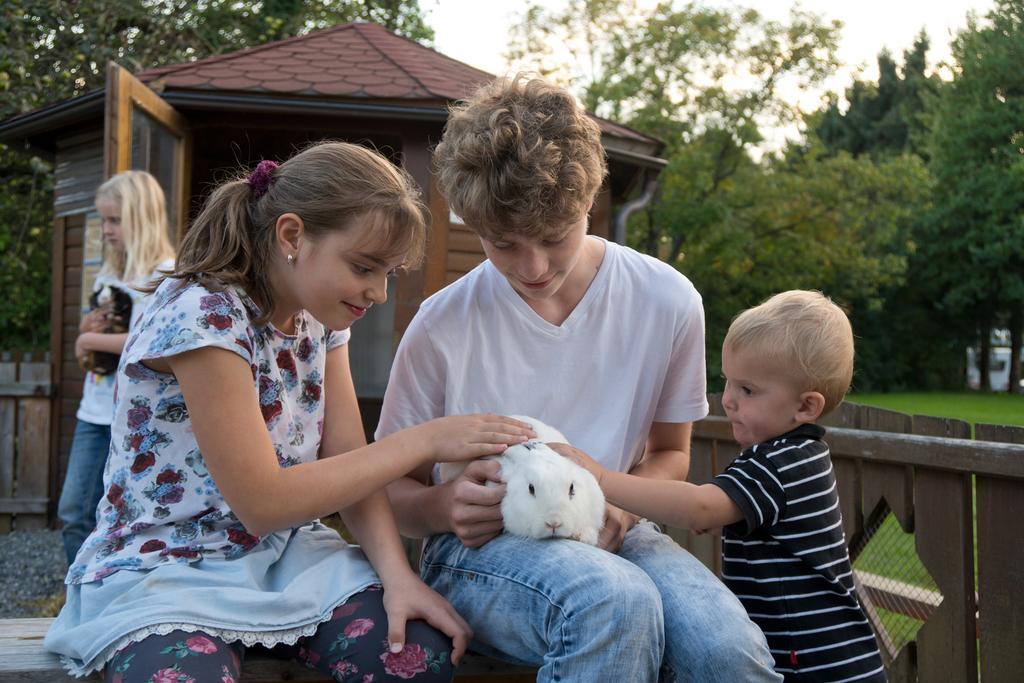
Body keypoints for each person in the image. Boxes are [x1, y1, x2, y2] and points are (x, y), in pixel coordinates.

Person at [45, 142, 534, 683]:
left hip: (284, 560)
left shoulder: (320, 322)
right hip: (168, 566)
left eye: (390, 272)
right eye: (365, 266)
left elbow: (349, 458)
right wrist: (423, 441)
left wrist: (399, 576)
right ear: (293, 236)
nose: (377, 291)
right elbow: (262, 501)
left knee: (414, 652)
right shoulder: (203, 316)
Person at [376, 75, 781, 682]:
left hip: (612, 529)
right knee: (612, 602)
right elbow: (390, 491)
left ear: (589, 201)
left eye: (553, 238)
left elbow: (671, 453)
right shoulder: (442, 325)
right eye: (503, 244)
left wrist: (618, 504)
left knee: (728, 653)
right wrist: (441, 504)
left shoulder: (667, 301)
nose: (532, 267)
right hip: (475, 552)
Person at [560, 290, 887, 682]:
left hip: (818, 664)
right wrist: (720, 517)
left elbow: (700, 506)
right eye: (727, 382)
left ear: (805, 407)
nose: (728, 400)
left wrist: (601, 478)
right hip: (816, 655)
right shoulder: (789, 453)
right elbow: (738, 516)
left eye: (747, 390)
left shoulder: (783, 462)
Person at [58, 170, 176, 565]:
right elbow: (100, 333)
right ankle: (80, 593)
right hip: (93, 410)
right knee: (74, 511)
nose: (105, 230)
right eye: (103, 219)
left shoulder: (163, 275)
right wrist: (87, 332)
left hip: (134, 417)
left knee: (120, 515)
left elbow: (147, 342)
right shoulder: (111, 273)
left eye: (114, 220)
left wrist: (87, 341)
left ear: (141, 218)